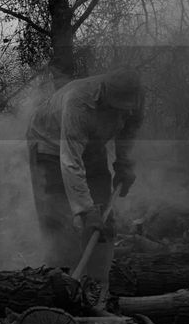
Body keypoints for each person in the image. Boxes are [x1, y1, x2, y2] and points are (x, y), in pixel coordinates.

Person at [26, 67, 143, 290]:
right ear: (104, 97)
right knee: (61, 217)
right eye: (115, 109)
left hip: (91, 145)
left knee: (103, 217)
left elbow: (129, 130)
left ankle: (97, 285)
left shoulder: (136, 96)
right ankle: (61, 282)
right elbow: (69, 161)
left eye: (126, 109)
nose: (122, 115)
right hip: (48, 146)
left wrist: (123, 163)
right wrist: (85, 211)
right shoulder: (78, 103)